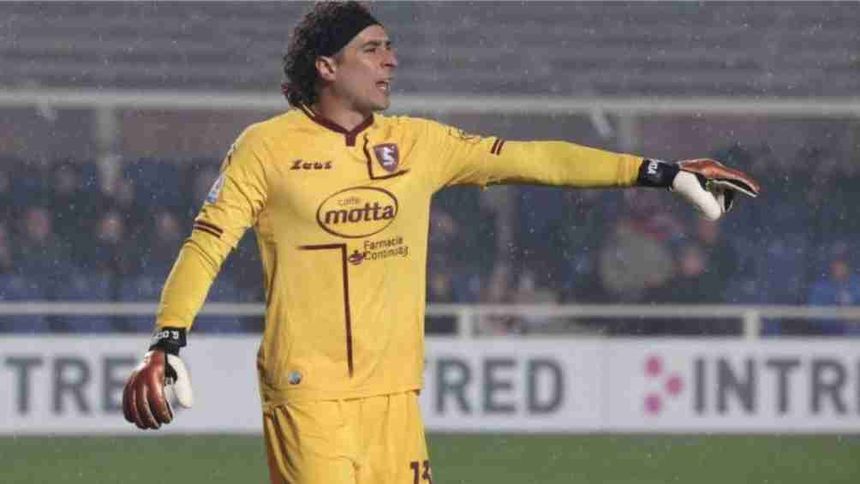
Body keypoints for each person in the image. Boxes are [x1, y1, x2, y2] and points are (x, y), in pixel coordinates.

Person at [121, 3, 760, 483]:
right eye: (372, 49)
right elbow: (206, 244)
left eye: (390, 47)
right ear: (326, 66)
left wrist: (662, 173)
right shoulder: (264, 148)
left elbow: (537, 159)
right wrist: (167, 339)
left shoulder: (419, 144)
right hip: (308, 396)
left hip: (397, 397)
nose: (390, 60)